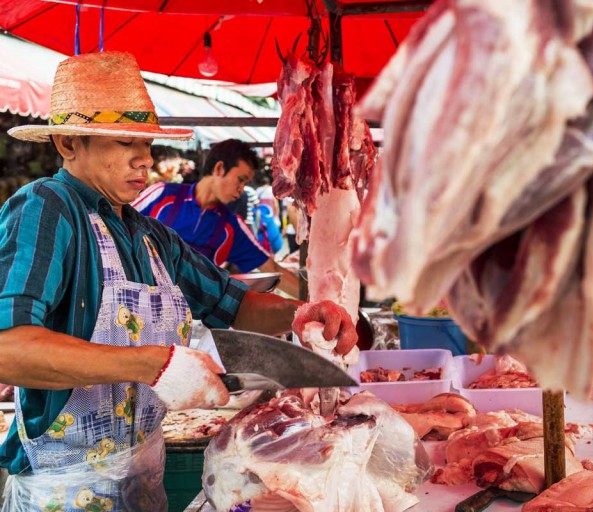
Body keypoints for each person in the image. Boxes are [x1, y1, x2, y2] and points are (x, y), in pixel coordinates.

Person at [0, 51, 357, 511]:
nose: (144, 159)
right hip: (63, 489)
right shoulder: (47, 207)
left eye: (147, 144)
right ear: (70, 143)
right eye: (124, 142)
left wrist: (305, 314)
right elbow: (9, 350)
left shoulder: (151, 236)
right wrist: (154, 363)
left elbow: (238, 304)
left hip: (144, 479)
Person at [133, 139, 300, 297]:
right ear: (219, 168)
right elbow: (115, 221)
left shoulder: (231, 228)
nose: (241, 189)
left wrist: (314, 302)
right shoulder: (162, 194)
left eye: (246, 184)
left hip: (188, 317)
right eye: (240, 180)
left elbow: (270, 267)